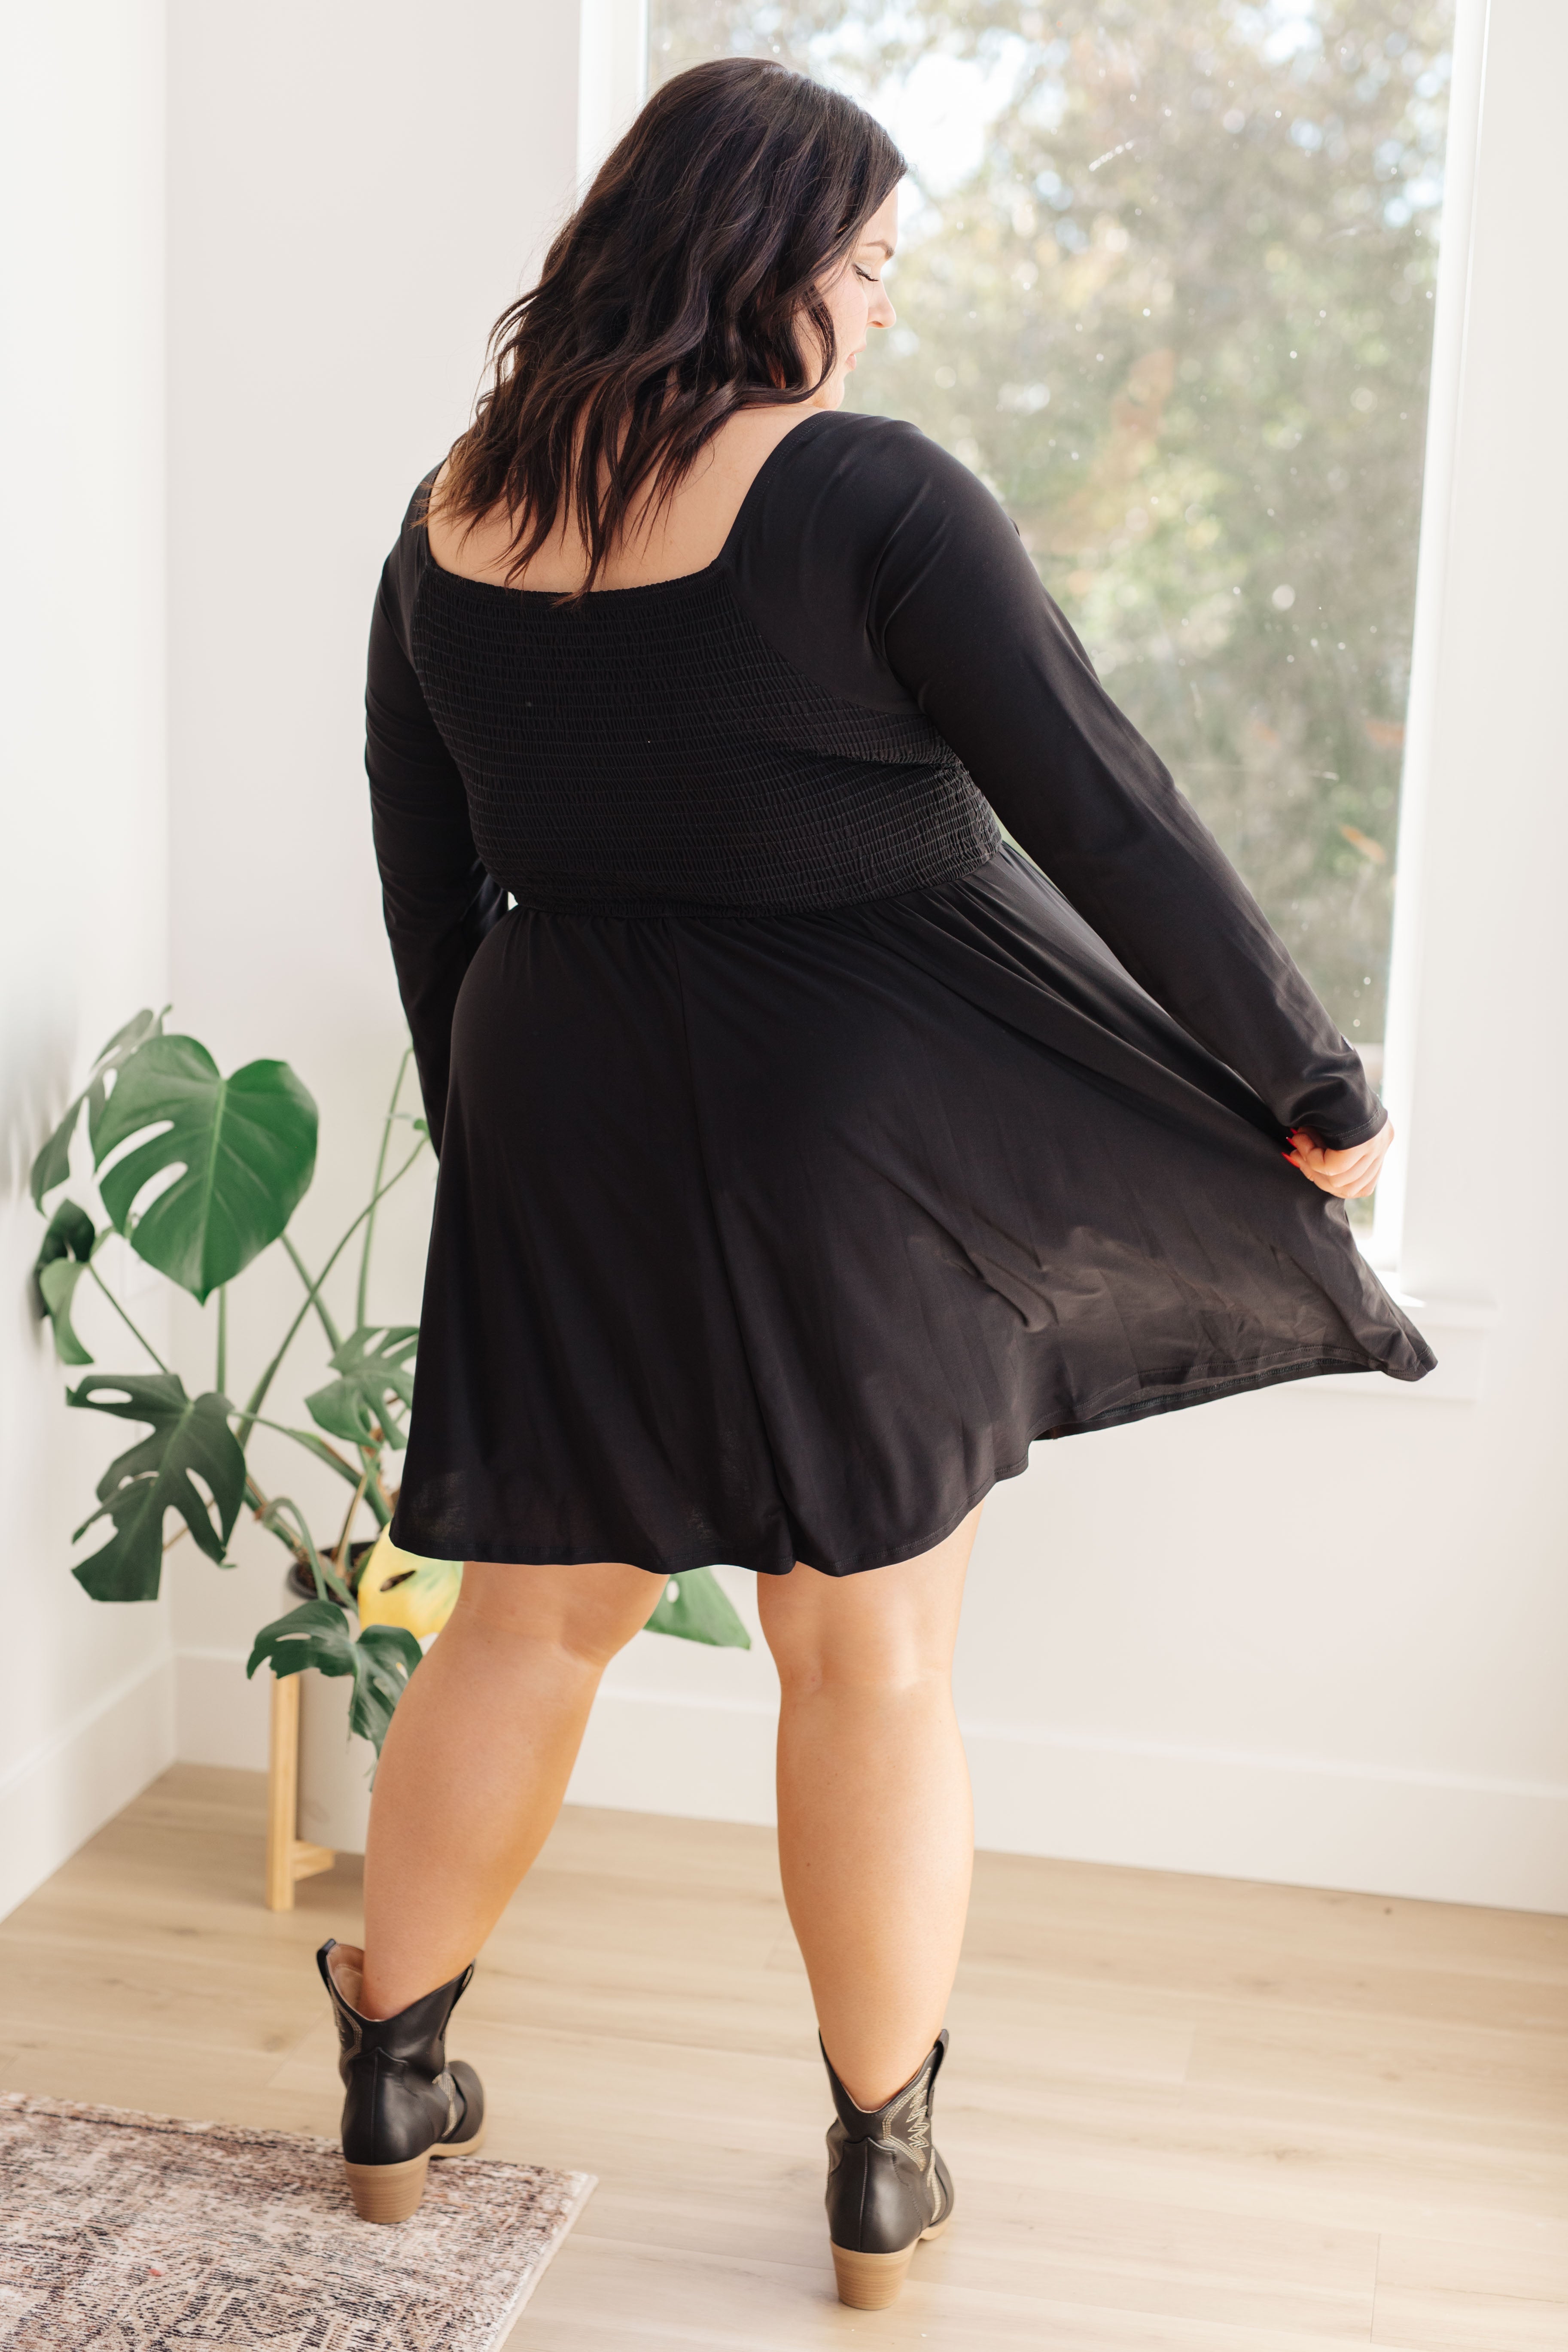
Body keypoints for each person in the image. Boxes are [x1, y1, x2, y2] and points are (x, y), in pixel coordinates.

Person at [316, 55, 1431, 2309]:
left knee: (531, 1613)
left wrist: (491, 1129)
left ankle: (394, 2075)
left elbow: (425, 865)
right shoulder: (867, 496)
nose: (882, 310)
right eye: (871, 265)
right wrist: (1306, 1069)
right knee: (869, 1651)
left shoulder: (454, 510)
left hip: (554, 1078)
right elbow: (1102, 808)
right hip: (843, 1105)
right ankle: (879, 2163)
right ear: (767, 257)